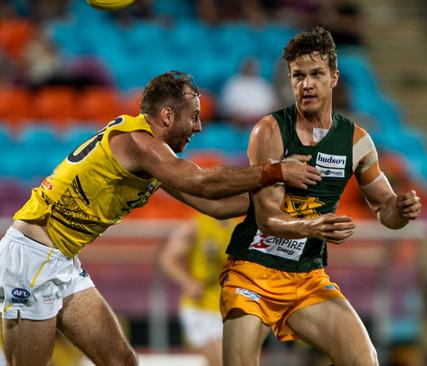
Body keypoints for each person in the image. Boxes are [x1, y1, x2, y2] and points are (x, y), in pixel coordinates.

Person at [0, 71, 323, 365]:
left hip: (60, 260)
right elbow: (203, 183)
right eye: (193, 116)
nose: (198, 126)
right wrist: (275, 171)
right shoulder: (139, 143)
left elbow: (213, 206)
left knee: (123, 362)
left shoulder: (153, 156)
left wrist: (286, 199)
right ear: (167, 115)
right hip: (32, 259)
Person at [219, 27, 422, 366]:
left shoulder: (357, 142)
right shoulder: (269, 131)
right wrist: (315, 227)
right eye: (298, 76)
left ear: (334, 77)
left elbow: (386, 210)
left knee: (364, 360)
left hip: (307, 278)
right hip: (252, 271)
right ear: (289, 79)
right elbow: (268, 219)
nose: (307, 84)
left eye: (316, 74)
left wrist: (401, 209)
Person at [159, 213, 240, 366]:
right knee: (223, 361)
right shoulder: (194, 227)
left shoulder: (236, 227)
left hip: (227, 307)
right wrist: (188, 283)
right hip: (200, 308)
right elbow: (168, 259)